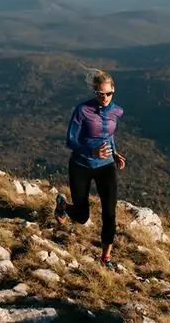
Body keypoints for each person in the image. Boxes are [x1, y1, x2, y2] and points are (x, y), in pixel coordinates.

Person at [55, 69, 125, 268]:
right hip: (81, 165)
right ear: (95, 92)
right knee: (82, 216)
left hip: (106, 166)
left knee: (110, 215)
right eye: (100, 94)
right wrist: (92, 152)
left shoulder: (116, 111)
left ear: (113, 91)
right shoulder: (82, 110)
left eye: (108, 94)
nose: (104, 98)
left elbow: (108, 135)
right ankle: (62, 206)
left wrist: (114, 152)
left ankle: (106, 258)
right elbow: (70, 140)